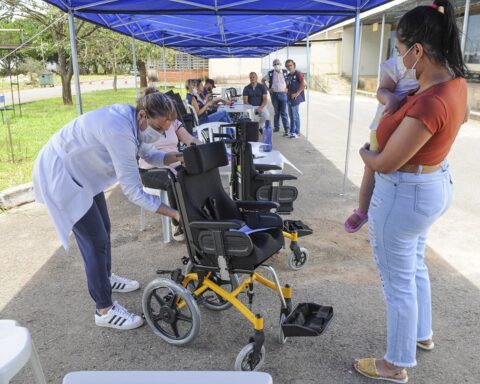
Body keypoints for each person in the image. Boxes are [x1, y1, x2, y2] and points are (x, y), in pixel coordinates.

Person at [353, 1, 468, 382]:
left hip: (405, 193)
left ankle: (394, 364)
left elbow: (385, 162)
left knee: (397, 282)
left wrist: (364, 154)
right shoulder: (453, 85)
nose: (397, 56)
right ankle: (422, 334)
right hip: (431, 185)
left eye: (400, 49)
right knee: (414, 266)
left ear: (418, 51)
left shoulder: (430, 102)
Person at [33, 87, 184, 331]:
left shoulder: (133, 120)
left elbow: (150, 154)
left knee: (104, 227)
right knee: (95, 241)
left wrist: (180, 157)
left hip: (82, 174)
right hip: (62, 175)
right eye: (158, 128)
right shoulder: (118, 129)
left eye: (165, 129)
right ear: (144, 115)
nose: (162, 133)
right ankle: (103, 310)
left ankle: (106, 279)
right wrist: (174, 214)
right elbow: (133, 192)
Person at [344, 56, 419, 232]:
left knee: (402, 171)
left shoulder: (435, 65)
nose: (398, 50)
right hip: (383, 124)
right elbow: (382, 90)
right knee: (371, 168)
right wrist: (389, 98)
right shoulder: (398, 64)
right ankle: (363, 210)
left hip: (410, 128)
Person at [138, 118, 202, 240]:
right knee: (172, 180)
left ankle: (198, 216)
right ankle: (177, 224)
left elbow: (190, 139)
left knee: (195, 175)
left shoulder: (173, 121)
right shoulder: (144, 124)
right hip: (150, 169)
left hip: (174, 163)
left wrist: (202, 147)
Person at [262, 58, 290, 136]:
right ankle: (276, 127)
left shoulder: (285, 72)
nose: (276, 65)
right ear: (273, 65)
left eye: (278, 63)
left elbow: (290, 81)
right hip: (274, 95)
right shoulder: (270, 73)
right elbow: (262, 80)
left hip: (283, 94)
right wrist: (268, 89)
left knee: (284, 112)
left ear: (280, 64)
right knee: (276, 112)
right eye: (275, 64)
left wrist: (288, 88)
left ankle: (286, 129)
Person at [285, 59, 306, 139]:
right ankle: (292, 131)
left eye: (290, 65)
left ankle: (297, 132)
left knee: (295, 115)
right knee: (291, 115)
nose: (289, 67)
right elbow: (288, 86)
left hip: (296, 98)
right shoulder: (288, 75)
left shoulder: (298, 74)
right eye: (287, 66)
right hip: (289, 98)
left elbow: (304, 84)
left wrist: (297, 93)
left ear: (294, 65)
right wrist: (286, 90)